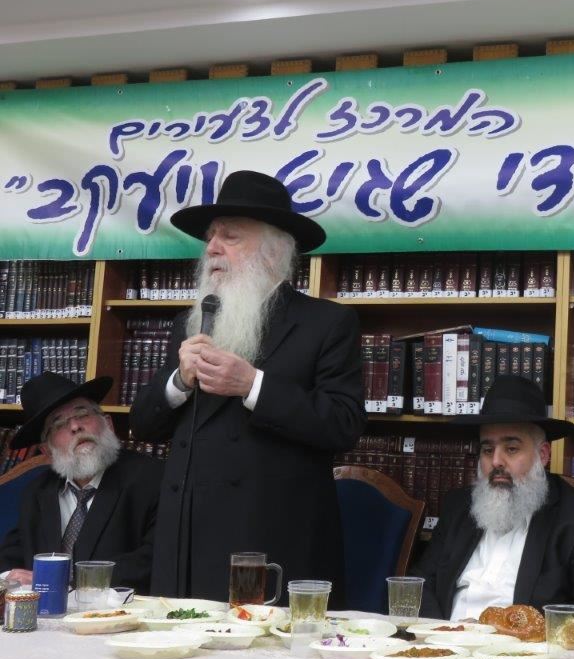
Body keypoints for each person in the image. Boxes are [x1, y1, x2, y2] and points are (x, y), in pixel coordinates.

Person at [129, 170, 366, 606]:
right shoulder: (189, 322)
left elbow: (343, 424)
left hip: (269, 541)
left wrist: (252, 385)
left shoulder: (327, 323)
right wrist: (179, 381)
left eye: (230, 237)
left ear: (274, 251)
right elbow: (143, 425)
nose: (212, 248)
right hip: (185, 544)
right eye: (210, 237)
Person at [411, 374, 574, 624]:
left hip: (527, 647)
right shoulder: (459, 506)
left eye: (511, 449)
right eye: (487, 450)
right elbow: (418, 585)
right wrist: (442, 635)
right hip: (445, 642)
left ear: (542, 455)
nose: (496, 461)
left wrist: (498, 635)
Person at [0, 372, 161, 592]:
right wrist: (10, 577)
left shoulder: (151, 479)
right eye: (58, 424)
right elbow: (10, 559)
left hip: (121, 609)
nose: (75, 426)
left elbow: (154, 560)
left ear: (108, 424)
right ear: (47, 451)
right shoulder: (36, 493)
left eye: (82, 414)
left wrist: (62, 580)